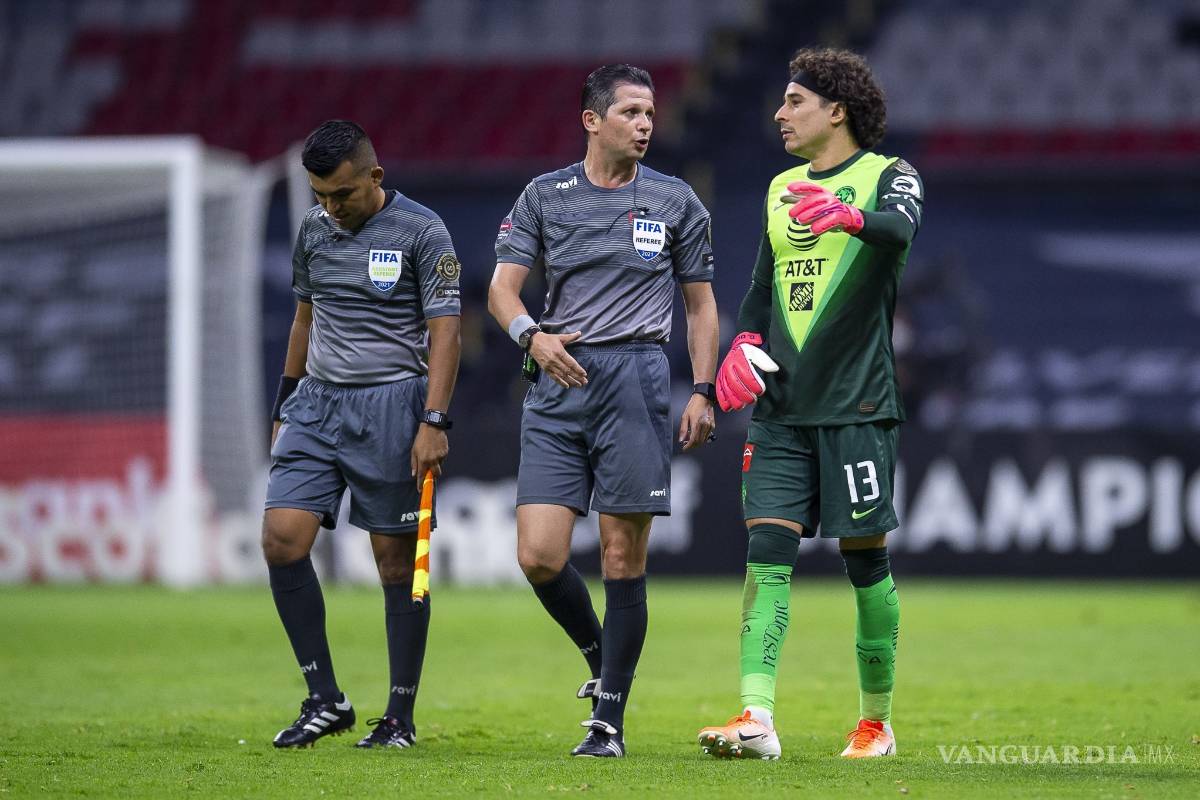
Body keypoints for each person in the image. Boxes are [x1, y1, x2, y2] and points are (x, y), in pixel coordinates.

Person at [697, 48, 924, 761]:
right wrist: (743, 342)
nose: (780, 113)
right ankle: (757, 718)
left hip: (857, 405)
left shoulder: (890, 176)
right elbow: (762, 288)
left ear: (837, 110)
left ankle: (875, 723)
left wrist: (851, 217)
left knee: (866, 564)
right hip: (782, 409)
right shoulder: (780, 187)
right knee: (766, 555)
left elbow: (901, 231)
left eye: (795, 100)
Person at [488, 64, 719, 758]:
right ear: (592, 120)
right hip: (557, 375)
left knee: (622, 553)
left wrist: (702, 388)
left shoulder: (677, 202)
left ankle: (607, 722)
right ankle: (603, 657)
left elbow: (701, 307)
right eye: (629, 112)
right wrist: (533, 336)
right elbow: (504, 291)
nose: (644, 124)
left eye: (650, 113)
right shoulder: (544, 195)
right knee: (538, 555)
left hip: (636, 379)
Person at [262, 120, 462, 750]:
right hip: (318, 404)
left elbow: (446, 332)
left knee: (394, 564)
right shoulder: (314, 231)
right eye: (320, 195)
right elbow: (304, 316)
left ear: (375, 177)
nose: (330, 207)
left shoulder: (424, 231)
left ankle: (398, 717)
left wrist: (433, 421)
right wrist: (285, 398)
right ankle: (325, 698)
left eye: (341, 194)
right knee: (281, 540)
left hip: (393, 405)